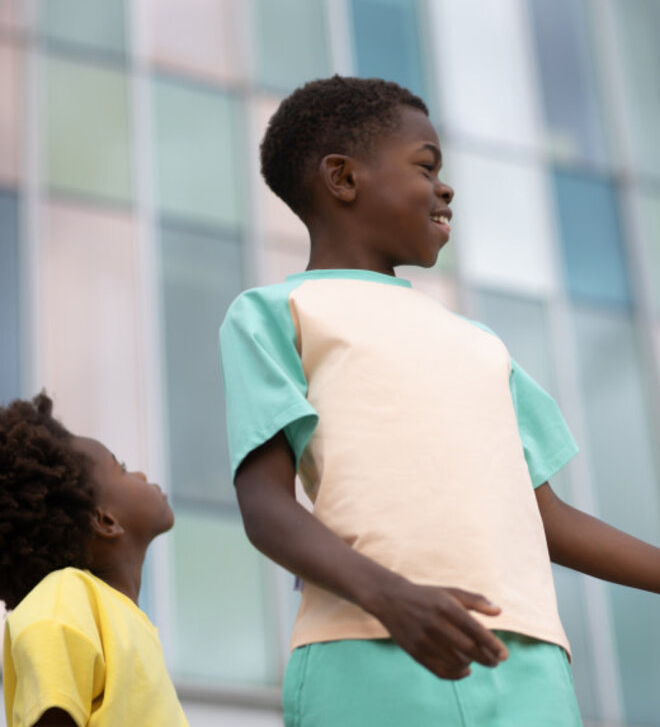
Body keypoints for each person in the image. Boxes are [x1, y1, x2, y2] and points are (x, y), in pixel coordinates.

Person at [219, 75, 660, 726]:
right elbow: (265, 508)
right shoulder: (275, 314)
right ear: (342, 178)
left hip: (528, 662)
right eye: (426, 166)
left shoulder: (482, 345)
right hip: (368, 646)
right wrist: (393, 598)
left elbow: (549, 520)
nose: (445, 187)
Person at [0, 393, 188, 727]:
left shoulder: (123, 620)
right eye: (124, 468)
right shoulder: (62, 598)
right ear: (105, 521)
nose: (141, 475)